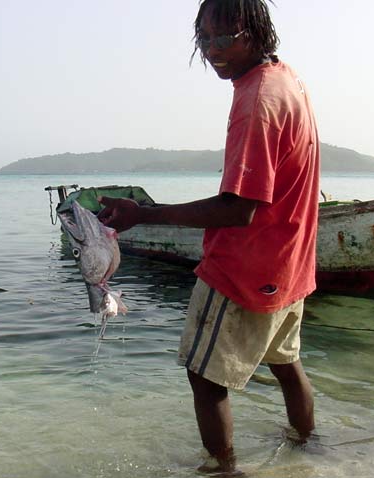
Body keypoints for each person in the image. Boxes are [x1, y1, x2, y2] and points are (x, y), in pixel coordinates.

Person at [98, 0, 319, 473]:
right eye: (204, 38)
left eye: (226, 37)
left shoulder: (256, 101)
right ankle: (308, 450)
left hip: (245, 267)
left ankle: (222, 470)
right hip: (291, 263)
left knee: (204, 378)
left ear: (256, 32)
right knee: (286, 364)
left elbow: (238, 210)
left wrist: (143, 214)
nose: (214, 50)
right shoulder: (287, 79)